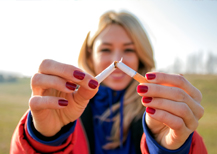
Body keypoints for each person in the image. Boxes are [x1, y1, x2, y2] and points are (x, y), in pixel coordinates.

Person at [10, 11, 207, 154]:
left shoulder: (161, 110)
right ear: (90, 55)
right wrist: (45, 139)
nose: (118, 60)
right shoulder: (68, 106)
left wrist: (170, 147)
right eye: (105, 49)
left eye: (129, 50)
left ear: (141, 57)